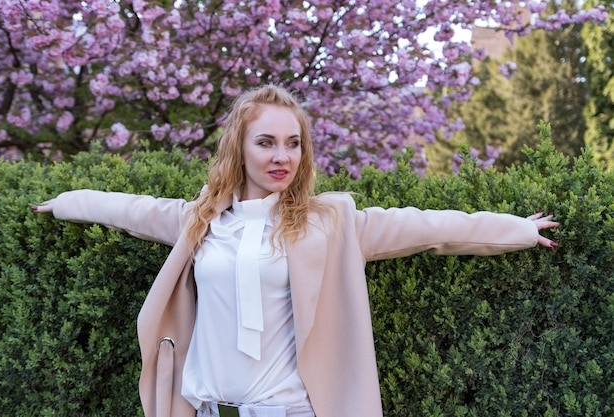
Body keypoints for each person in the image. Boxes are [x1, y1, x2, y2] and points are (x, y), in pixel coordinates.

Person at [33, 85, 559, 417]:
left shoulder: (327, 223)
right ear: (239, 147)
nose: (282, 156)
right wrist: (64, 203)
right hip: (206, 409)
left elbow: (424, 227)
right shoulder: (201, 219)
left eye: (294, 142)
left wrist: (515, 229)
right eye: (266, 142)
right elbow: (128, 209)